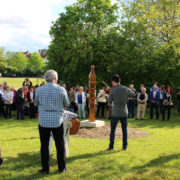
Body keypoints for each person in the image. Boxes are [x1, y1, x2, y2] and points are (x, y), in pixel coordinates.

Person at [34, 70, 70, 174]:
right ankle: (61, 168)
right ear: (55, 78)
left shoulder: (39, 90)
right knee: (60, 144)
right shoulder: (61, 89)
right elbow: (67, 103)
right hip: (57, 120)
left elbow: (36, 103)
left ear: (46, 78)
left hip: (43, 121)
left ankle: (45, 169)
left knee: (44, 145)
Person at [106, 74, 136, 151]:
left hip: (115, 112)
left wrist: (110, 93)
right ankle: (124, 146)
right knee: (124, 130)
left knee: (113, 130)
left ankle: (111, 146)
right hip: (124, 112)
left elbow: (109, 102)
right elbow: (133, 94)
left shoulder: (112, 90)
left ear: (113, 82)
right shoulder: (125, 89)